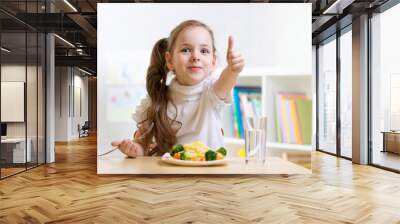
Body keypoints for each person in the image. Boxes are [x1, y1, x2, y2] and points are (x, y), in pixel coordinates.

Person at [111, 20, 244, 157]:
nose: (195, 57)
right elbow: (142, 146)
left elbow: (225, 83)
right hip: (170, 175)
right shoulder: (157, 98)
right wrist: (134, 149)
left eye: (204, 51)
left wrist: (233, 69)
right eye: (186, 50)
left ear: (213, 61)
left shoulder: (211, 91)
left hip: (209, 175)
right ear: (169, 60)